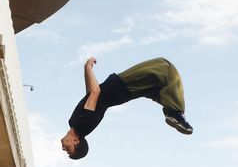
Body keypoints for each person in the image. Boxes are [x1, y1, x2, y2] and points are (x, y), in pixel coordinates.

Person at [61, 57, 193, 160]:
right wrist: (88, 66)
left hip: (122, 91)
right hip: (122, 86)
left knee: (159, 87)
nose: (64, 149)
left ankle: (173, 111)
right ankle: (175, 113)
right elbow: (95, 92)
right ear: (76, 141)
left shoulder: (75, 123)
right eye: (69, 150)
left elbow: (89, 95)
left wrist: (87, 69)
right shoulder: (82, 125)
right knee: (165, 68)